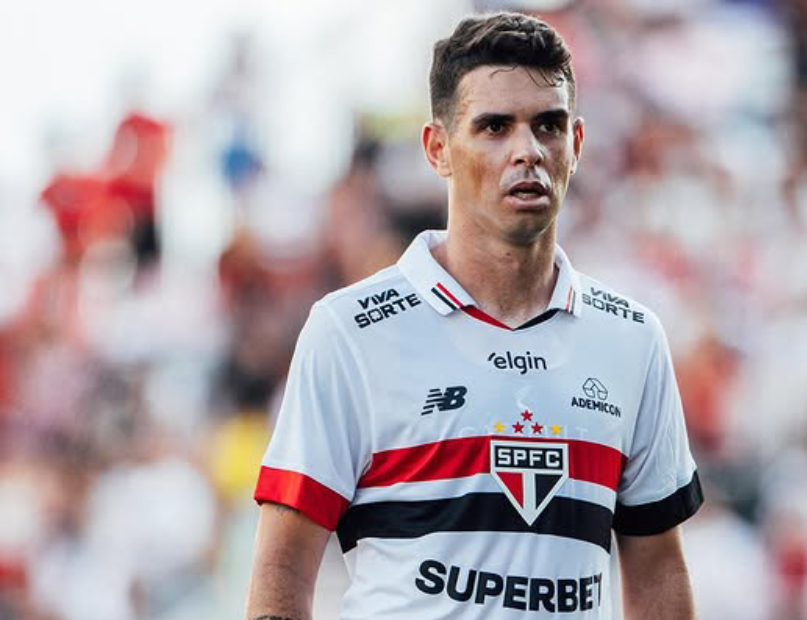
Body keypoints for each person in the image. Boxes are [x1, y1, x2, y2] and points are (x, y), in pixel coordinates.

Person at [246, 11, 702, 620]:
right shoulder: (350, 330)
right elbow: (282, 567)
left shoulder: (631, 338)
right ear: (438, 149)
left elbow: (658, 568)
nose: (527, 151)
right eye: (494, 127)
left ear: (577, 145)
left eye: (548, 125)